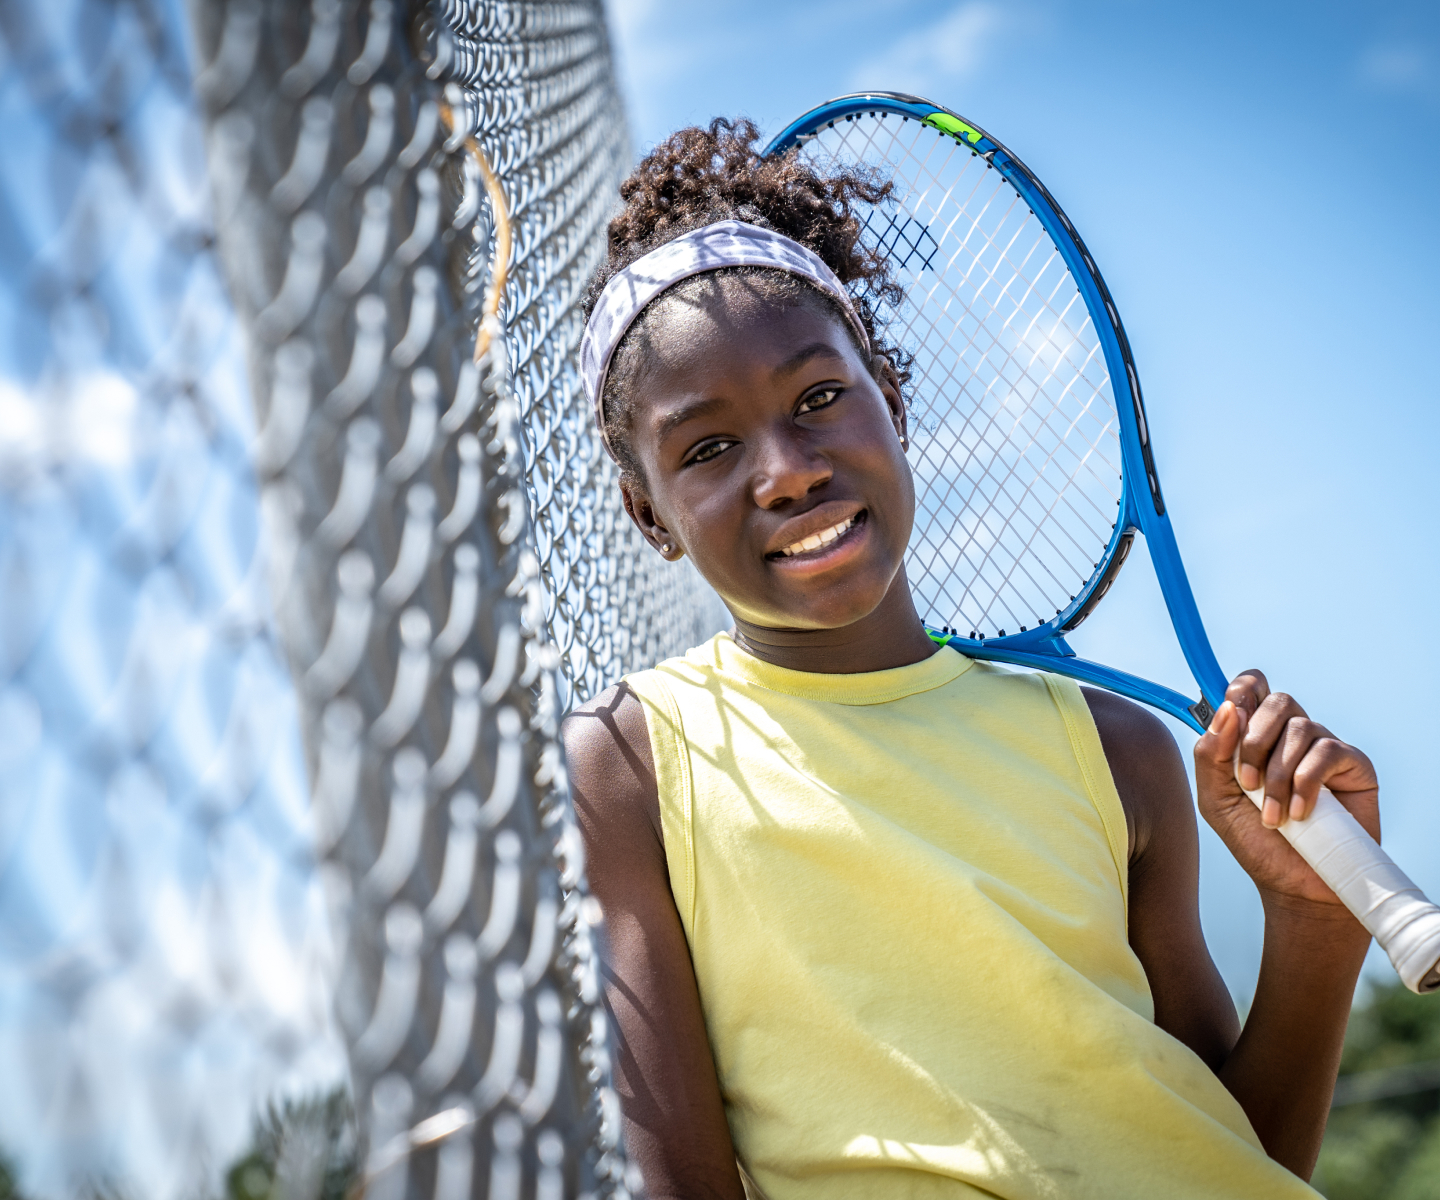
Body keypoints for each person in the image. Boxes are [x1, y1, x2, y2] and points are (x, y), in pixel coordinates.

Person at [561, 118, 1376, 1200]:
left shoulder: (1114, 748)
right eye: (709, 449)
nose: (787, 471)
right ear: (648, 514)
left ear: (891, 404)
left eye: (819, 400)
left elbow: (1240, 1153)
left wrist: (1316, 923)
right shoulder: (629, 768)